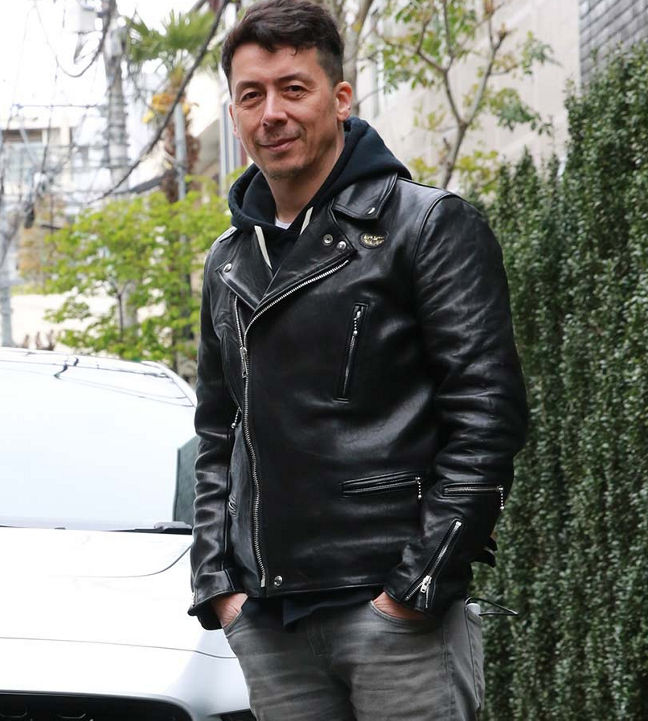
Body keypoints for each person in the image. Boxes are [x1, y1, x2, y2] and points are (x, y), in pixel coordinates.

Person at [188, 0, 528, 718]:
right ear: (235, 113)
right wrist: (221, 587)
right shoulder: (228, 261)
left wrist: (411, 593)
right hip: (272, 619)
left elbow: (488, 421)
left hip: (397, 615)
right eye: (252, 95)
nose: (271, 113)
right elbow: (216, 432)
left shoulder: (427, 225)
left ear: (340, 98)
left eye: (293, 87)